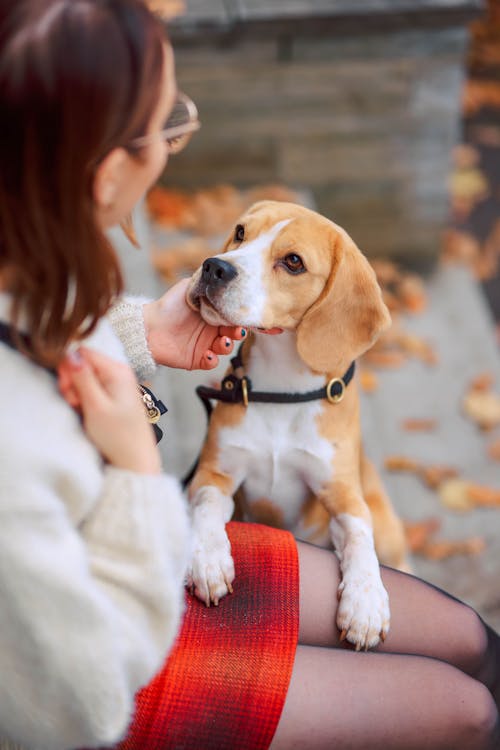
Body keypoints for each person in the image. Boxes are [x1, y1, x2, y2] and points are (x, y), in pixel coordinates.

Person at [0, 2, 498, 749]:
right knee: (471, 712)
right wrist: (140, 467)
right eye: (167, 122)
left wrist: (138, 334)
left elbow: (40, 335)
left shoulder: (33, 267)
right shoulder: (18, 448)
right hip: (120, 662)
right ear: (107, 173)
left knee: (471, 638)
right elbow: (80, 702)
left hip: (134, 557)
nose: (174, 141)